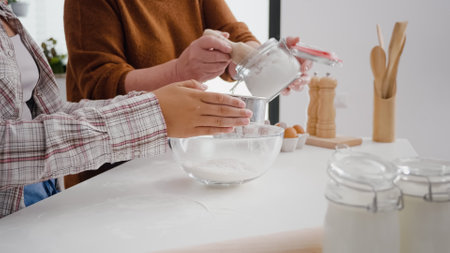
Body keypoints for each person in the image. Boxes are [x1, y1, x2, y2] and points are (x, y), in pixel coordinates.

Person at [0, 2, 252, 218]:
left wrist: (266, 58)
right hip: (109, 175)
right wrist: (154, 113)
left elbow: (50, 112)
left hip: (41, 190)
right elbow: (98, 83)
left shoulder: (7, 14)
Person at [63, 0, 311, 187]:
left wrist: (267, 63)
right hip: (110, 170)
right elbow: (98, 84)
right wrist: (178, 71)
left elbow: (233, 33)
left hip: (173, 163)